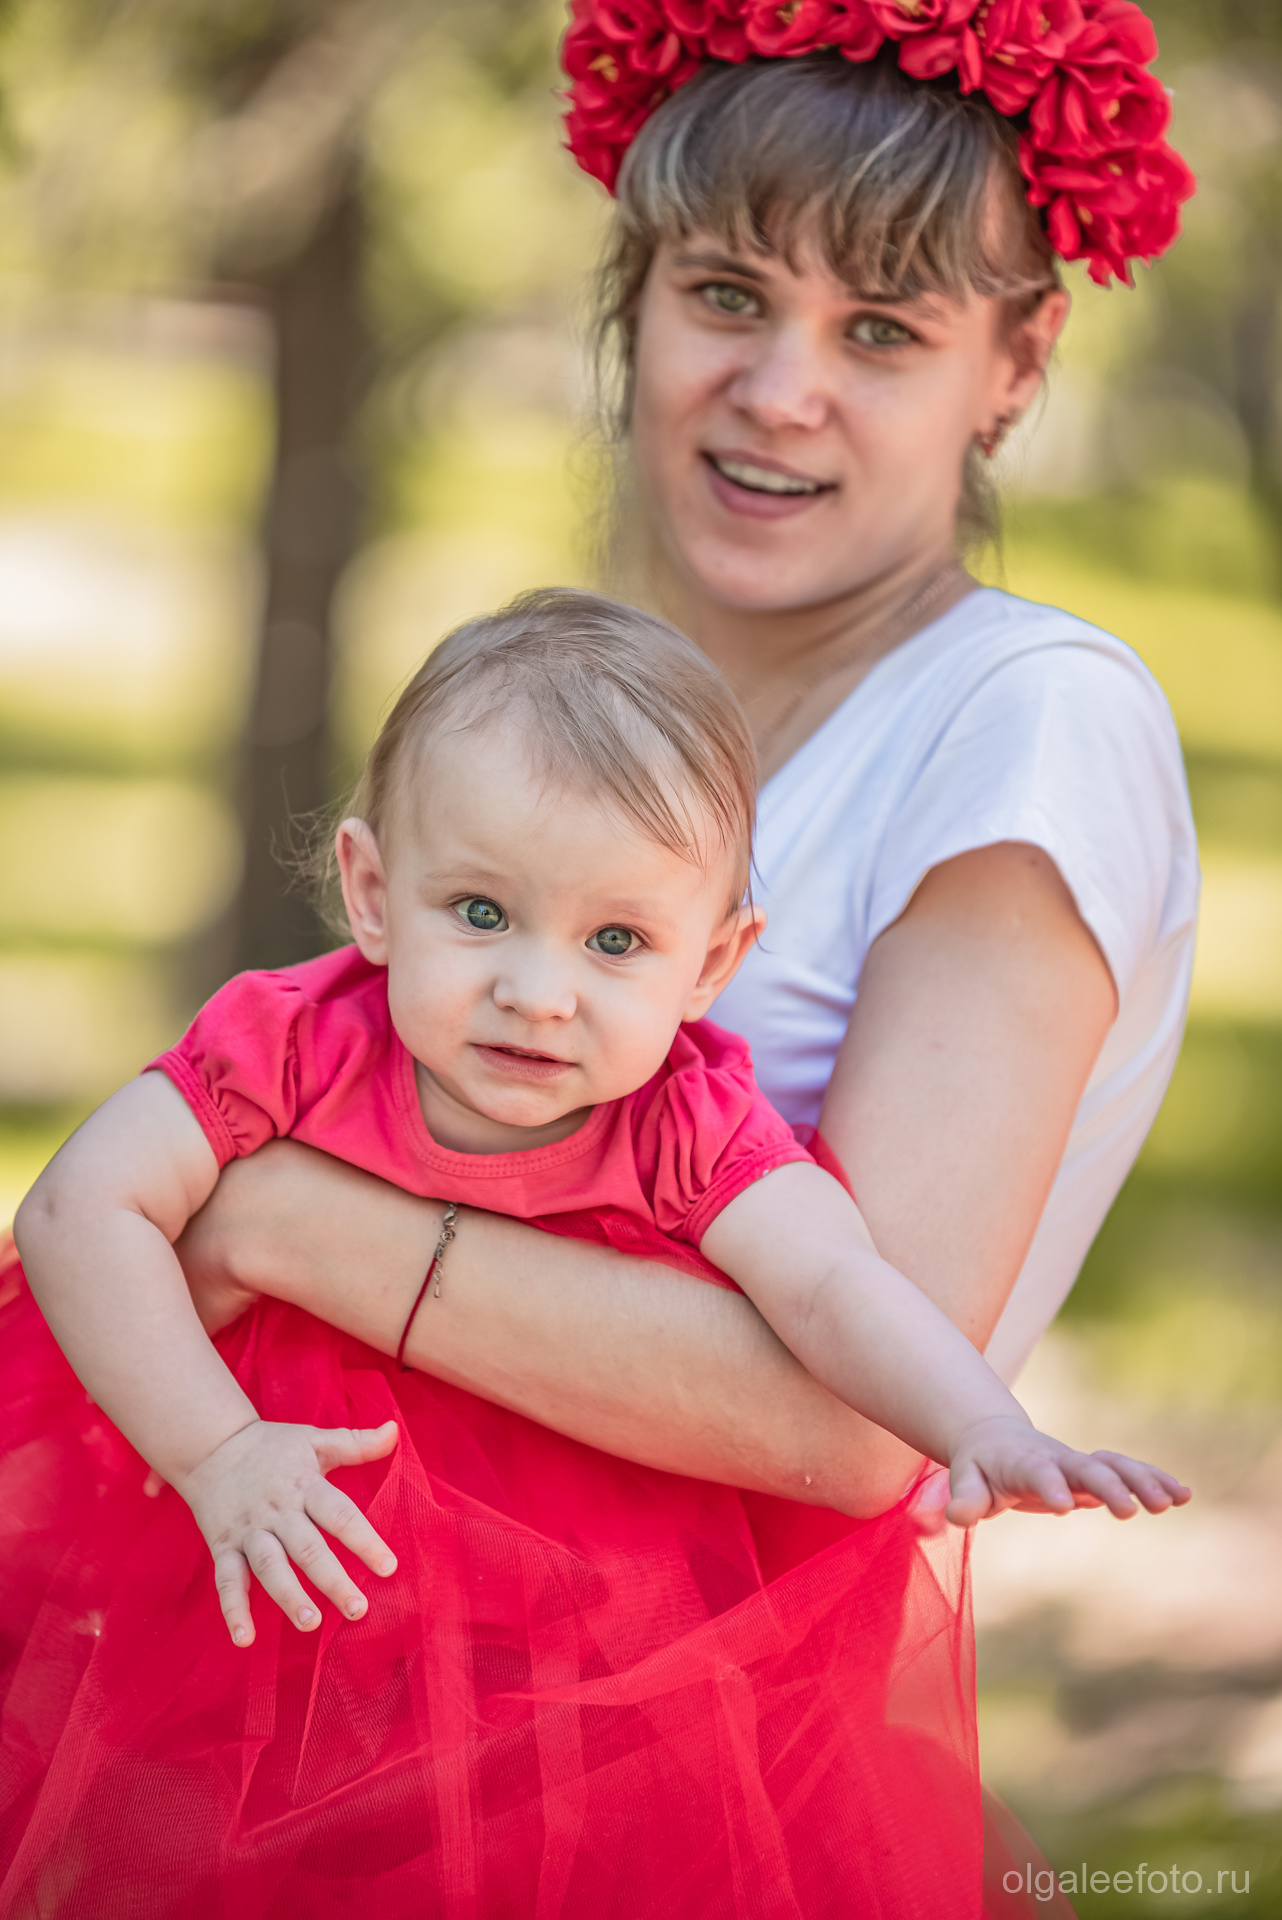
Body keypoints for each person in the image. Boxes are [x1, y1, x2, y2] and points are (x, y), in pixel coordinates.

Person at [0, 9, 1199, 1916]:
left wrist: (282, 1225)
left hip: (661, 1701)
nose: (778, 390)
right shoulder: (637, 705)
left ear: (1016, 362)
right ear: (633, 301)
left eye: (880, 331)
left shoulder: (1025, 720)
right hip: (364, 1632)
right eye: (726, 293)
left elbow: (839, 1423)